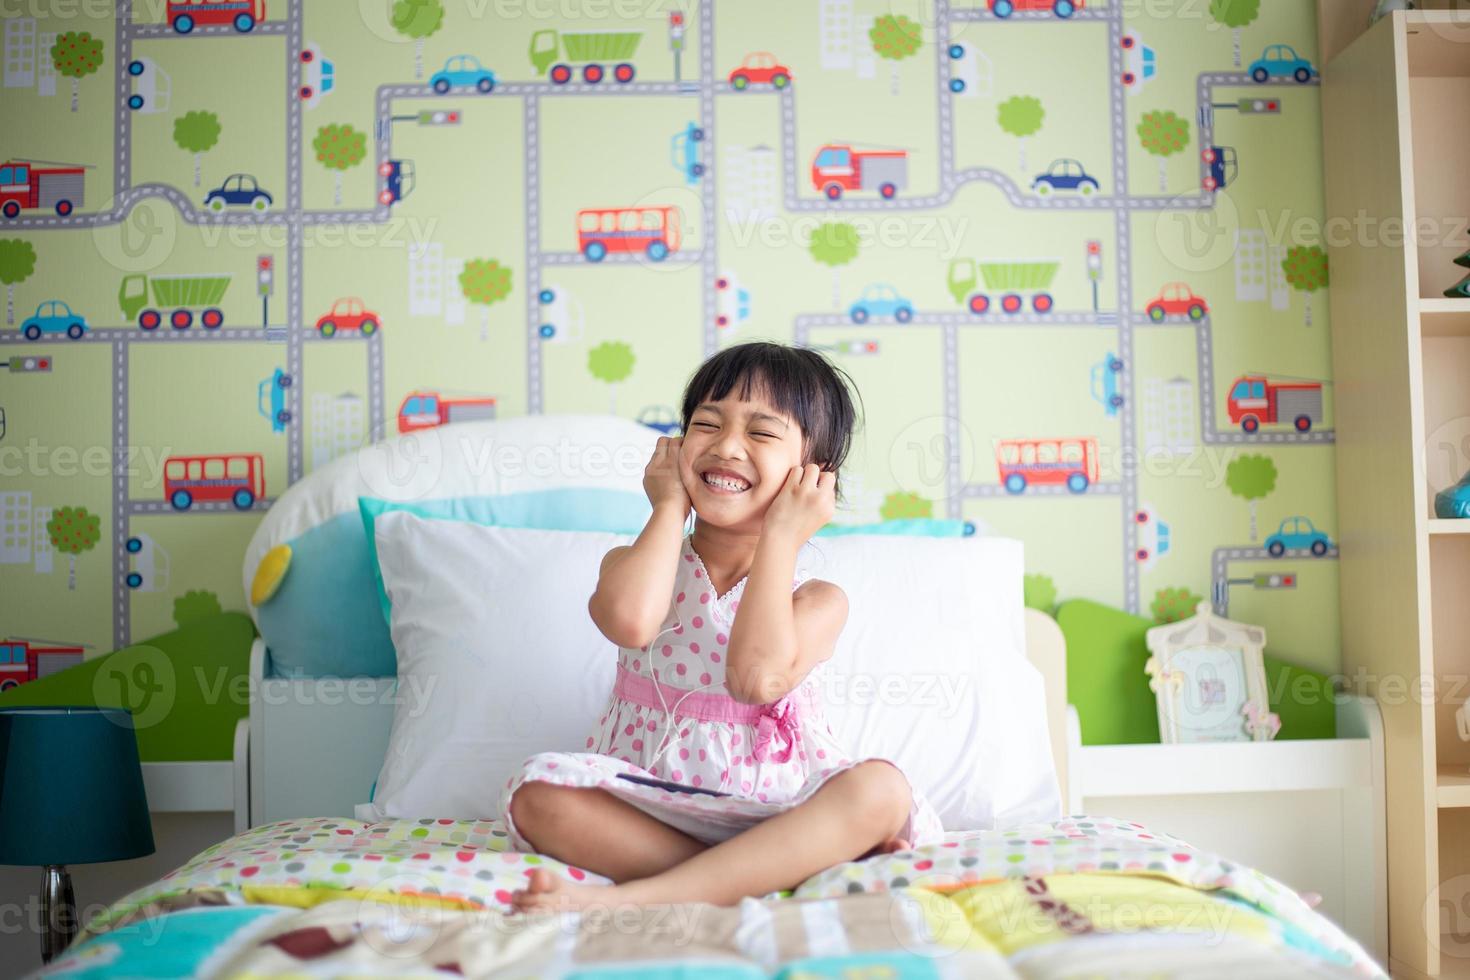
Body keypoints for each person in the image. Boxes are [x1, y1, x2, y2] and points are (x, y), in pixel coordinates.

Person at [501, 342, 942, 913]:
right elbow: (632, 623)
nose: (727, 446)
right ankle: (778, 875)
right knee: (538, 796)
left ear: (813, 474)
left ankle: (633, 899)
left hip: (781, 809)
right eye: (706, 424)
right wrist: (666, 509)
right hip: (653, 805)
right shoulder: (632, 564)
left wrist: (782, 537)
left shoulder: (817, 600)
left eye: (761, 433)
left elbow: (754, 679)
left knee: (879, 790)